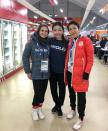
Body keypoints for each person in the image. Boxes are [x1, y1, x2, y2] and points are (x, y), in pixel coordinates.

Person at [64, 21, 94, 130]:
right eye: (70, 29)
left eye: (74, 28)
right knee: (71, 93)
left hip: (80, 74)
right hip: (70, 72)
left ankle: (81, 118)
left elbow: (90, 59)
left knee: (81, 97)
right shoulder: (70, 41)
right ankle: (73, 109)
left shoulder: (86, 40)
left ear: (79, 29)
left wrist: (86, 73)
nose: (72, 30)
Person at [22, 24, 50, 121]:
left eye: (46, 31)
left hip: (46, 73)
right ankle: (34, 110)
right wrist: (27, 71)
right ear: (38, 31)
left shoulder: (48, 43)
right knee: (38, 93)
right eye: (42, 30)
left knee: (43, 93)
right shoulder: (31, 42)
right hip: (36, 73)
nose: (44, 32)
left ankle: (40, 109)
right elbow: (25, 57)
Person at [49, 22, 68, 117]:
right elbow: (40, 37)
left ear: (63, 31)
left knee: (62, 90)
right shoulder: (50, 40)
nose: (57, 32)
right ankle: (57, 104)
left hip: (62, 72)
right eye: (55, 30)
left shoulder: (67, 43)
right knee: (53, 90)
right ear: (52, 31)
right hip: (52, 71)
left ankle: (59, 106)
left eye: (59, 30)